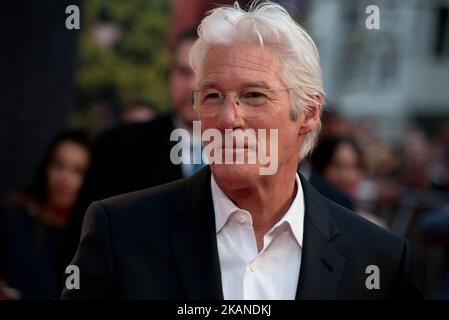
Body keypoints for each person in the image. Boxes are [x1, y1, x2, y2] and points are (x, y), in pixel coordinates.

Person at [62, 1, 421, 299]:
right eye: (212, 96)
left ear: (309, 113)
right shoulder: (121, 233)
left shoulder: (379, 259)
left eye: (254, 95)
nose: (229, 118)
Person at [59, 27, 201, 273]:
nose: (192, 85)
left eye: (202, 73)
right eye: (182, 71)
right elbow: (83, 242)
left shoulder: (245, 152)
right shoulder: (120, 147)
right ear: (169, 74)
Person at [0, 131, 91, 299]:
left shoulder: (87, 239)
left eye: (78, 171)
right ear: (46, 167)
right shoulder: (13, 218)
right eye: (58, 165)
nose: (65, 179)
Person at [310, 135, 387, 228]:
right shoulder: (310, 217)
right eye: (338, 166)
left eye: (355, 167)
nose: (349, 176)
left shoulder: (371, 225)